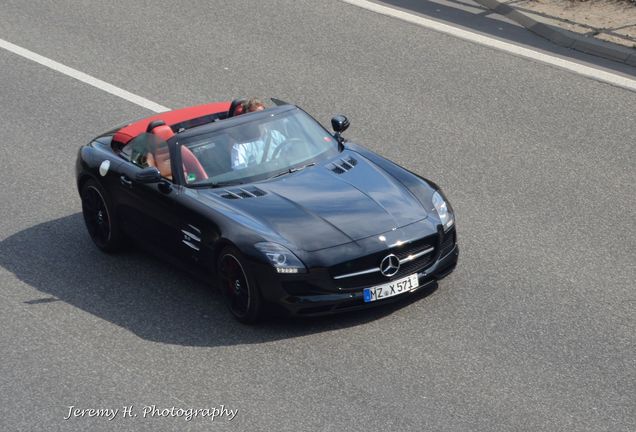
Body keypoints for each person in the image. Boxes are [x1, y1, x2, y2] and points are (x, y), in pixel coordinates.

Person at [230, 98, 286, 170]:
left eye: (263, 115)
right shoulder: (241, 146)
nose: (262, 119)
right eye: (257, 116)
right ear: (248, 120)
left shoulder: (276, 135)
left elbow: (289, 151)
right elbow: (239, 170)